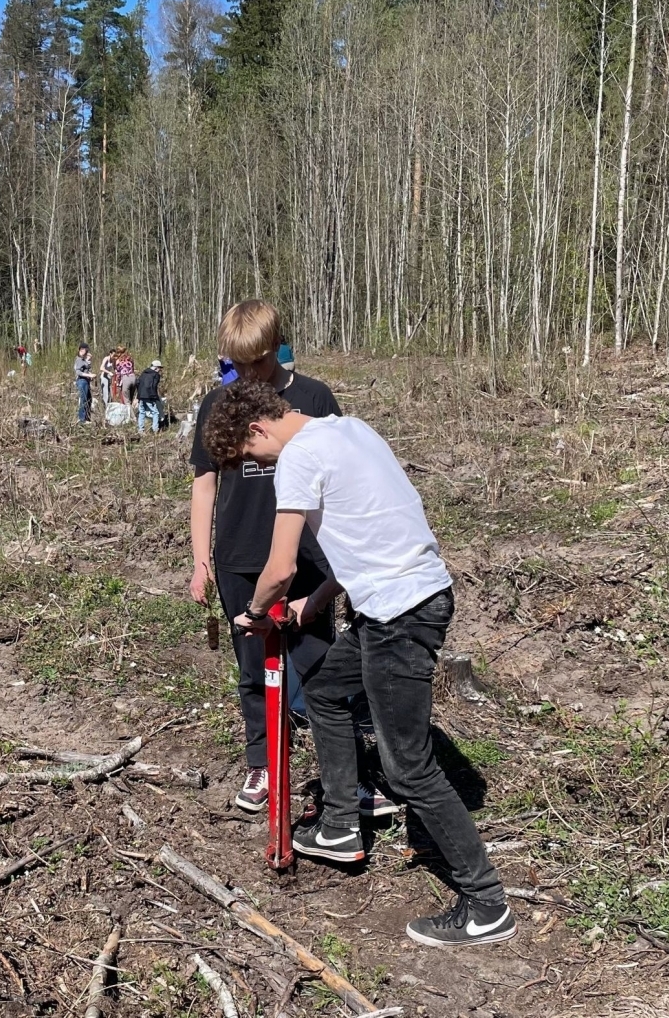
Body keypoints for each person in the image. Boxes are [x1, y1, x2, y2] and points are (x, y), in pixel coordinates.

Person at [205, 379, 516, 949]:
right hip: (400, 603)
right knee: (324, 687)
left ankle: (486, 903)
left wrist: (255, 613)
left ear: (257, 429)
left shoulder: (298, 458)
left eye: (253, 457)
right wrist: (315, 602)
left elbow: (275, 569)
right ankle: (340, 822)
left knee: (408, 767)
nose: (261, 465)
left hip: (400, 615)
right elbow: (367, 536)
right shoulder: (351, 431)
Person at [190, 300, 394, 820]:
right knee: (253, 668)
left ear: (275, 348)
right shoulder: (219, 402)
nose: (245, 375)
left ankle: (344, 776)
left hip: (304, 559)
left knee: (321, 668)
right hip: (239, 556)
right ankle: (262, 762)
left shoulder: (313, 398)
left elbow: (343, 475)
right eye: (234, 364)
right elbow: (204, 482)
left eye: (254, 362)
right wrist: (200, 560)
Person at [138, 359, 163, 433]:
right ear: (155, 368)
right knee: (155, 412)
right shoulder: (155, 375)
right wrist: (155, 397)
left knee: (141, 412)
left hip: (141, 396)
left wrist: (138, 397)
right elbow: (153, 386)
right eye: (159, 368)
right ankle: (155, 429)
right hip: (149, 396)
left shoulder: (143, 373)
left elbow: (138, 384)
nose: (159, 370)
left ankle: (140, 430)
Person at [73, 343, 95, 424]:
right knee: (83, 400)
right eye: (86, 350)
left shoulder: (83, 360)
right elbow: (78, 372)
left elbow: (87, 368)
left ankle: (87, 418)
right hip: (82, 381)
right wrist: (89, 375)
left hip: (86, 381)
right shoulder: (79, 359)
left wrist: (88, 360)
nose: (87, 352)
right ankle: (82, 419)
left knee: (89, 399)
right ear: (81, 350)